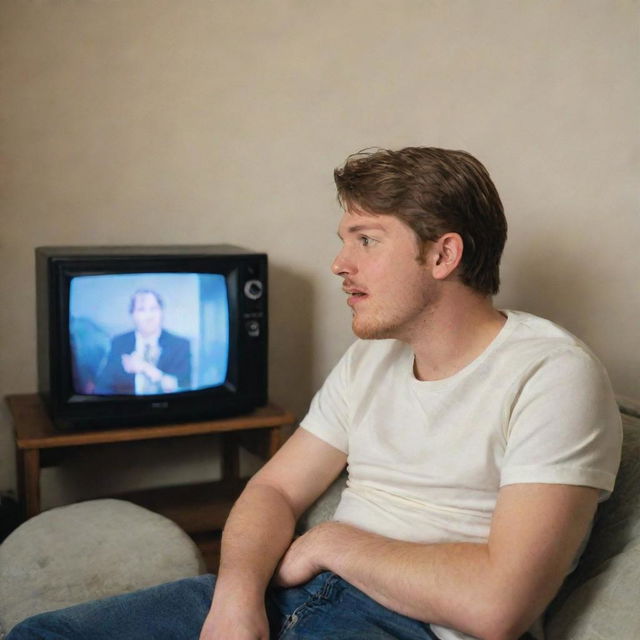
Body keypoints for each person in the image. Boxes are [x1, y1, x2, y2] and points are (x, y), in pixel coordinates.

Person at [9, 147, 621, 640]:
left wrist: (331, 542)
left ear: (443, 254)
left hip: (411, 626)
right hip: (287, 595)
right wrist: (236, 600)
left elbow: (498, 607)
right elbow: (274, 487)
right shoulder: (371, 357)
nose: (337, 262)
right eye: (343, 238)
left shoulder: (552, 374)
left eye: (366, 240)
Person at [95, 289, 191, 395]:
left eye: (154, 309)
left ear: (162, 312)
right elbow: (104, 386)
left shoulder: (180, 345)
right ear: (132, 315)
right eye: (141, 310)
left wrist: (145, 368)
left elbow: (183, 387)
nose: (149, 316)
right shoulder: (119, 343)